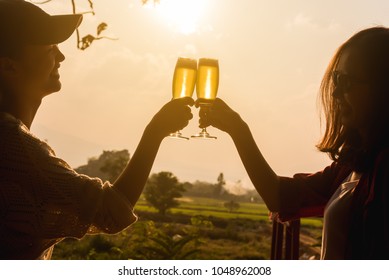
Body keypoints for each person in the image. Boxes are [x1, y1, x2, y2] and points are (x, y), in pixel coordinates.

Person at [0, 0, 193, 259]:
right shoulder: (13, 145)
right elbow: (110, 210)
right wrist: (155, 132)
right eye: (49, 48)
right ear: (8, 66)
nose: (61, 56)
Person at [199, 27, 389, 259]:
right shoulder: (352, 165)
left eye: (347, 81)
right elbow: (279, 196)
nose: (336, 92)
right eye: (336, 79)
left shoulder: (383, 167)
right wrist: (238, 130)